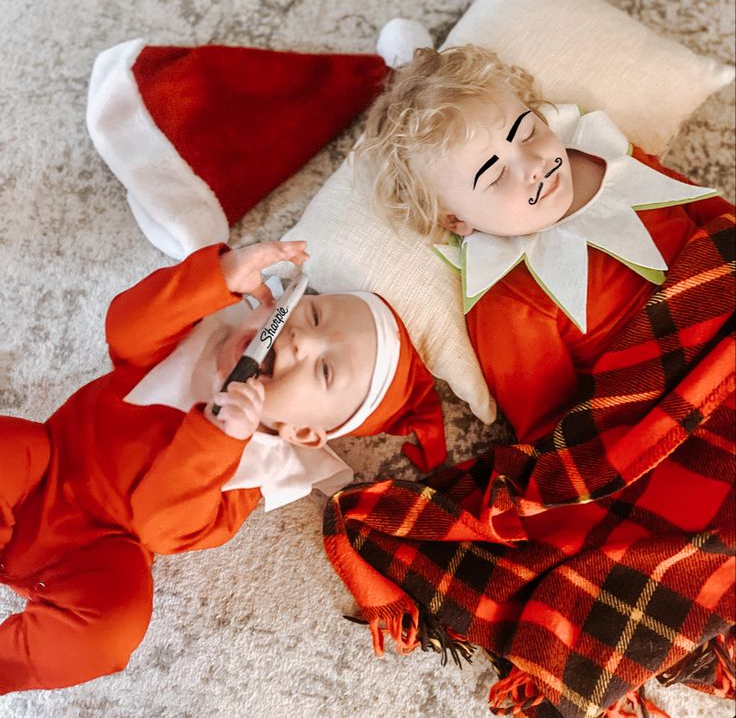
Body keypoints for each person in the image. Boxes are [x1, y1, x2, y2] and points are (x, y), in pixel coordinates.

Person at [0, 239, 446, 694]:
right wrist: (218, 277)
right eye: (312, 315)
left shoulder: (252, 477)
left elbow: (160, 527)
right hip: (45, 461)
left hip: (100, 552)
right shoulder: (196, 332)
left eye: (325, 370)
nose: (299, 339)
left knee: (114, 627)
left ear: (304, 433)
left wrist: (216, 440)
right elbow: (123, 328)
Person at [358, 41, 733, 441]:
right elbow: (551, 429)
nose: (533, 165)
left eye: (525, 131)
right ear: (456, 219)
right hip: (678, 395)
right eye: (493, 174)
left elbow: (708, 212)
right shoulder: (507, 299)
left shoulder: (607, 155)